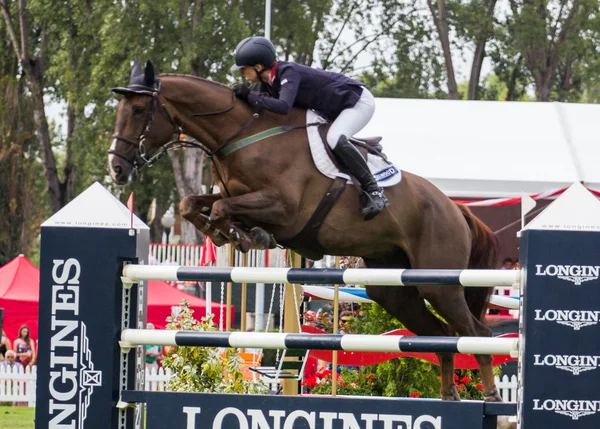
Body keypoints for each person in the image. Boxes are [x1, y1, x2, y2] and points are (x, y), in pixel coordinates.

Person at [230, 36, 388, 221]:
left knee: (334, 138)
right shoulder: (268, 82)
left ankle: (374, 189)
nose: (242, 74)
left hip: (356, 102)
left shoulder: (288, 72)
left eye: (244, 70)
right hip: (333, 108)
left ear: (258, 67)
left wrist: (251, 96)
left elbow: (283, 107)